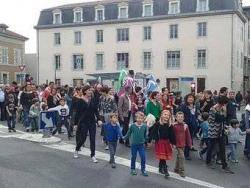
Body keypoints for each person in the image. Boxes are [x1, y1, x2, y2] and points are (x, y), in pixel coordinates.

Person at [206, 96, 234, 174]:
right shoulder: (212, 109)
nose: (225, 105)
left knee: (222, 148)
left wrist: (224, 113)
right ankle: (208, 161)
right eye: (225, 104)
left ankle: (224, 166)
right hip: (213, 131)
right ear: (221, 103)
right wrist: (222, 115)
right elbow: (216, 120)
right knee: (211, 147)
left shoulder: (222, 108)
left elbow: (224, 118)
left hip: (221, 131)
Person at [74, 85, 101, 163]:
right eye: (89, 90)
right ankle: (77, 149)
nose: (90, 91)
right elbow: (77, 113)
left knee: (92, 139)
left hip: (92, 122)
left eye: (91, 90)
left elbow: (96, 111)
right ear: (85, 91)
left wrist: (98, 119)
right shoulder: (80, 101)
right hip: (83, 122)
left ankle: (93, 155)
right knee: (83, 139)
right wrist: (76, 124)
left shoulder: (93, 100)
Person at [149, 110, 175, 178]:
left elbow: (172, 135)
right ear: (161, 115)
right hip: (160, 142)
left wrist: (173, 143)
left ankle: (160, 168)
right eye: (165, 114)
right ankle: (165, 169)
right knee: (163, 157)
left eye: (168, 115)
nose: (166, 116)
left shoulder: (170, 125)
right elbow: (153, 131)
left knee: (163, 157)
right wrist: (150, 140)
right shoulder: (158, 124)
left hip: (166, 142)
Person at [124, 111, 148, 177]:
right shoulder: (132, 126)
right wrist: (124, 138)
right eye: (138, 118)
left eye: (141, 118)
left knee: (143, 157)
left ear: (143, 119)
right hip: (134, 144)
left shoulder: (145, 126)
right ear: (136, 118)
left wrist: (147, 140)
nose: (139, 119)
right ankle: (132, 169)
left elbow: (145, 135)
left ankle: (143, 170)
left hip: (141, 145)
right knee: (133, 157)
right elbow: (129, 133)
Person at [172, 112, 192, 178]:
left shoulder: (185, 126)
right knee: (182, 157)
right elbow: (172, 136)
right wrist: (172, 144)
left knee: (179, 156)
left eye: (182, 117)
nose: (180, 118)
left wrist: (190, 144)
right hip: (177, 144)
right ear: (176, 118)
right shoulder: (174, 126)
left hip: (183, 144)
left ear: (183, 118)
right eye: (179, 117)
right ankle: (182, 171)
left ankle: (176, 169)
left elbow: (188, 136)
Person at [180, 94, 199, 160]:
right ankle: (186, 154)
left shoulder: (194, 106)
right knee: (186, 138)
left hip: (193, 124)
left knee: (190, 137)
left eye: (192, 97)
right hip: (185, 124)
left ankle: (188, 149)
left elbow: (196, 114)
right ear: (186, 99)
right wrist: (183, 122)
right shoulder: (184, 106)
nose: (191, 99)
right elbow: (181, 114)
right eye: (189, 97)